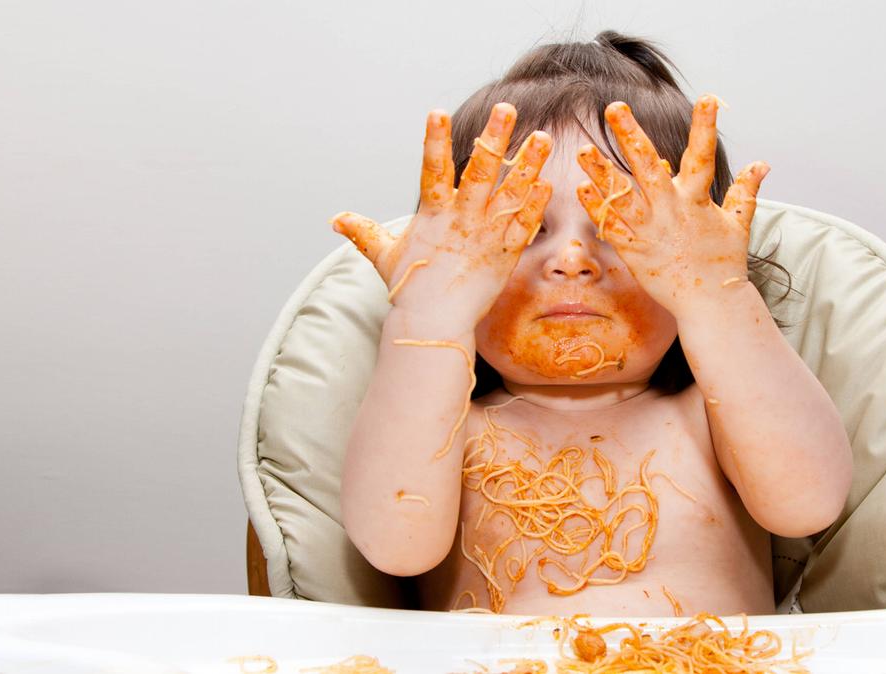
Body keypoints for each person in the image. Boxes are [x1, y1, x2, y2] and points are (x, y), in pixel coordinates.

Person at [333, 30, 852, 616]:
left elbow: (809, 505)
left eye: (618, 228)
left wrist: (718, 298)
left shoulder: (712, 420)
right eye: (525, 230)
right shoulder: (446, 433)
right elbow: (393, 547)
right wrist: (427, 316)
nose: (572, 260)